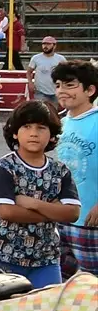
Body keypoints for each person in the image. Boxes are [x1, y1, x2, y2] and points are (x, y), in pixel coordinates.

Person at [0, 101, 80, 287]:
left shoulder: (60, 171)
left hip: (46, 259)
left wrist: (33, 203)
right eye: (27, 126)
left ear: (52, 135)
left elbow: (72, 213)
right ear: (15, 132)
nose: (33, 133)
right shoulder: (4, 167)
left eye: (41, 128)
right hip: (5, 258)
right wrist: (53, 211)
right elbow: (7, 212)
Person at [52, 61, 98, 226]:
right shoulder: (61, 123)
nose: (61, 91)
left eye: (70, 85)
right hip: (65, 218)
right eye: (58, 85)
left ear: (90, 90)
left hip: (91, 221)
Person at [27, 36, 66, 104]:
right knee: (42, 110)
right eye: (44, 44)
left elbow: (66, 72)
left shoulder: (60, 59)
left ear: (54, 46)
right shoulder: (36, 58)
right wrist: (30, 83)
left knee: (53, 111)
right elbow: (29, 72)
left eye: (48, 44)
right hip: (40, 90)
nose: (45, 46)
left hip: (55, 90)